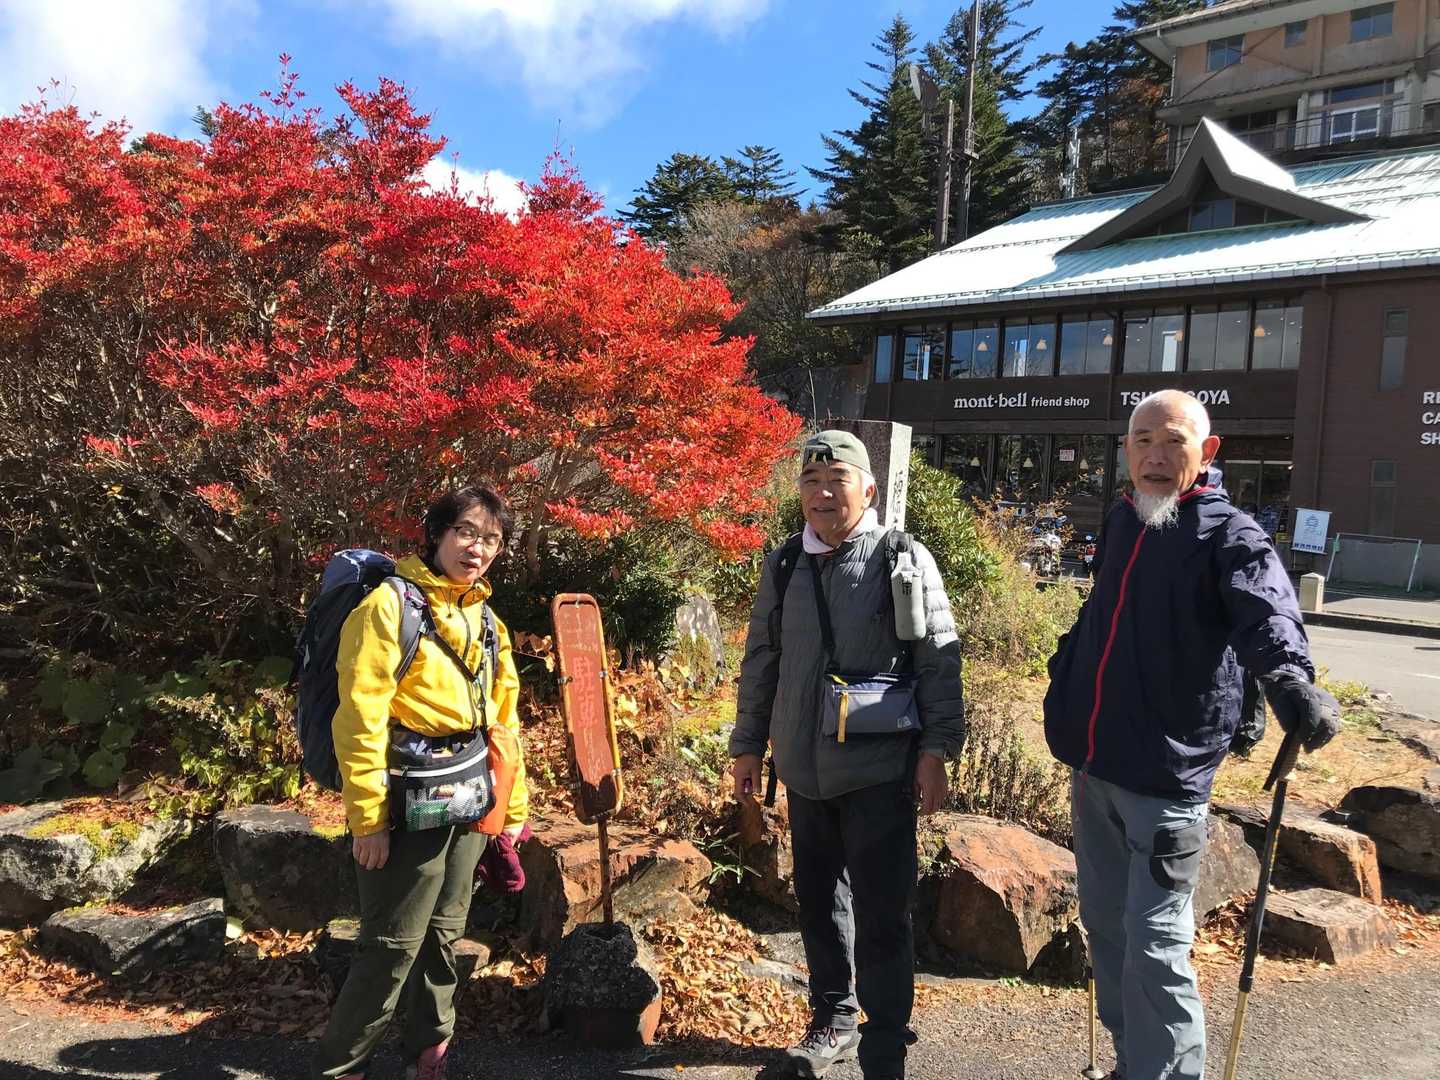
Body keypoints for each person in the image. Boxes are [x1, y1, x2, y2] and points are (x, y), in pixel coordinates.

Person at [1044, 391, 1339, 1080]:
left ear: (1206, 452)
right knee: (1107, 928)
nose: (1155, 454)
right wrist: (1068, 660)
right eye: (1142, 440)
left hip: (1167, 774)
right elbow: (1106, 611)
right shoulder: (1124, 519)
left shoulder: (1230, 535)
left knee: (1154, 942)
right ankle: (1133, 1064)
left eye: (1172, 440)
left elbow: (1267, 613)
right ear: (1126, 451)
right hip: (1095, 764)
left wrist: (1288, 680)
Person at [730, 430, 965, 1080]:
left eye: (837, 480)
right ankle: (832, 1020)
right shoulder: (785, 563)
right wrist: (748, 745)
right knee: (817, 905)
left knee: (883, 915)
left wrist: (937, 750)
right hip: (804, 774)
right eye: (811, 482)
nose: (824, 493)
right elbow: (761, 661)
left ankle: (884, 1046)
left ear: (867, 488)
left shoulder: (901, 556)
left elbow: (938, 660)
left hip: (878, 773)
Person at [315, 484, 528, 1080]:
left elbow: (504, 723)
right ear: (436, 534)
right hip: (406, 800)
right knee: (391, 944)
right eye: (466, 532)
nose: (477, 548)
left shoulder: (487, 619)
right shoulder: (390, 607)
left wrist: (511, 811)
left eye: (491, 539)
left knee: (446, 936)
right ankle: (343, 1065)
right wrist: (368, 819)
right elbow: (359, 718)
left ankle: (429, 1052)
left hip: (470, 795)